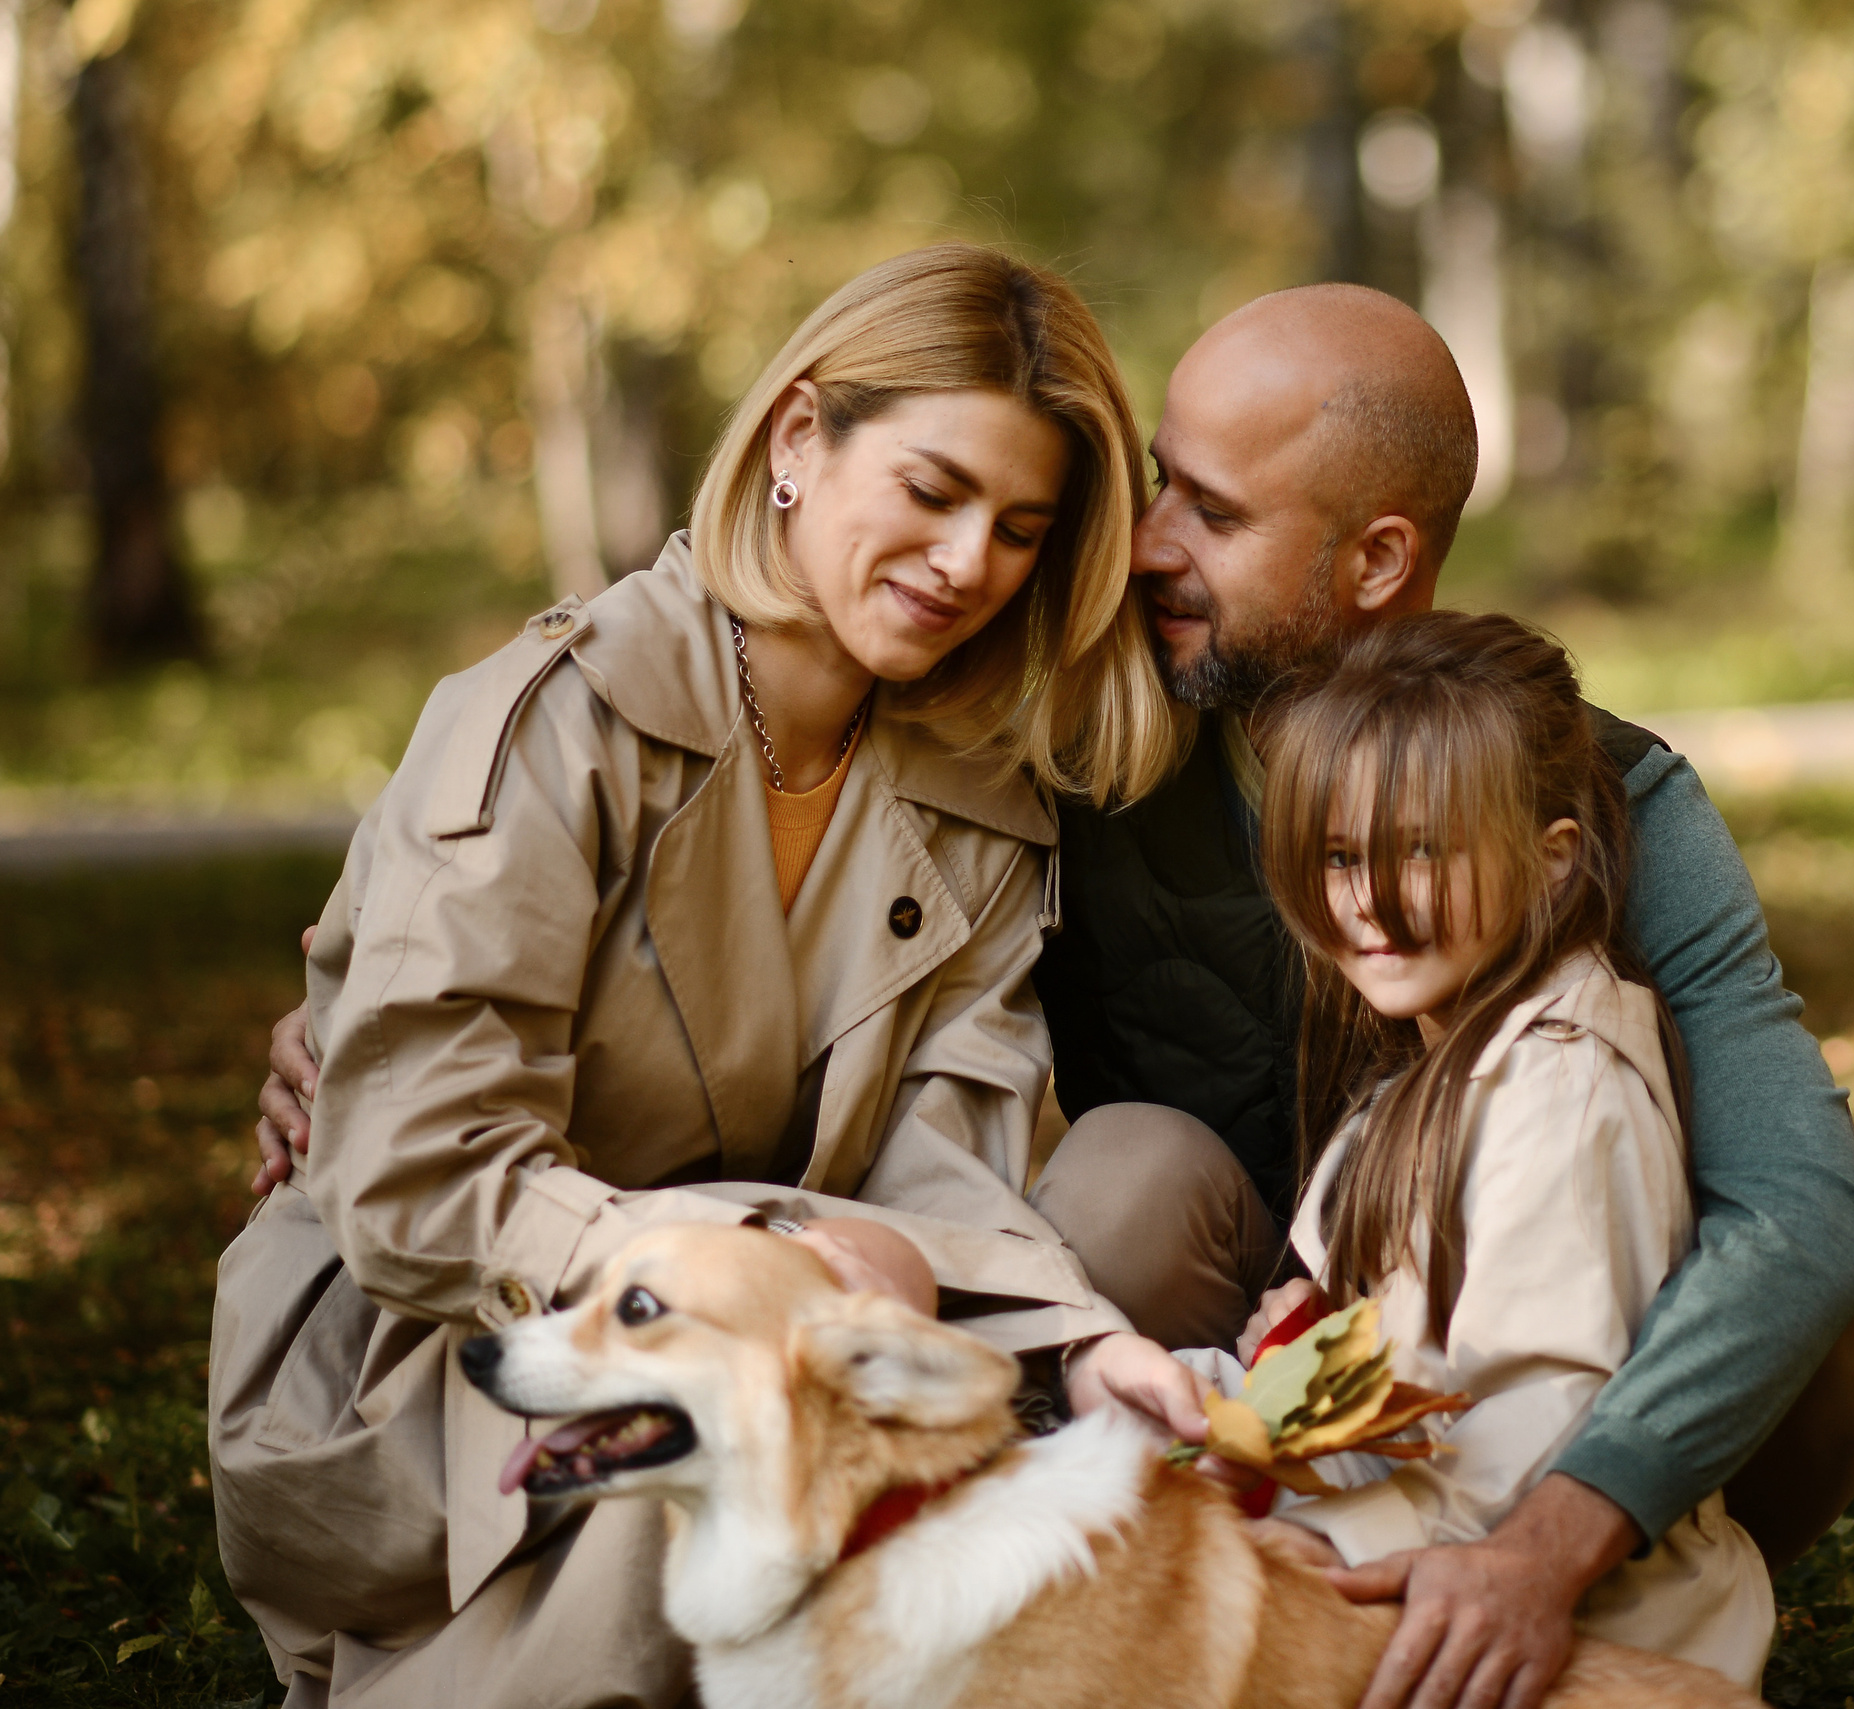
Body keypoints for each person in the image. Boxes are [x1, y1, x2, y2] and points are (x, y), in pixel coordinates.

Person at [258, 282, 1854, 1709]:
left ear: (1376, 558)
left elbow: (1797, 1213)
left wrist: (1548, 1543)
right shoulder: (1088, 726)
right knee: (1122, 1175)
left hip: (1510, 1283)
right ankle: (1226, 1590)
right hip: (1252, 1313)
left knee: (1823, 1328)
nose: (1143, 544)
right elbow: (778, 861)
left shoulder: (1596, 793)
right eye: (1148, 485)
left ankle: (1586, 1604)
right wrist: (362, 997)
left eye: (1208, 510)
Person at [210, 244, 1177, 1709]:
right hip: (443, 1351)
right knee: (749, 1429)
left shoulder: (981, 800)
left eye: (1018, 529)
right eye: (931, 491)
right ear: (797, 439)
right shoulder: (558, 724)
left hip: (780, 1332)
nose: (967, 561)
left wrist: (1080, 1341)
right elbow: (417, 1175)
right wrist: (765, 1257)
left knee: (1123, 1210)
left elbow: (943, 1161)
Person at [1152, 611, 1775, 1688]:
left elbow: (1539, 1420)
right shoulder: (1437, 1062)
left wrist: (1308, 1533)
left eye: (1422, 850)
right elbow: (1422, 1375)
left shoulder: (1561, 1086)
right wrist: (1199, 1394)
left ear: (1551, 863)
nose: (1370, 900)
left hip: (1602, 1642)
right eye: (1339, 855)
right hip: (1429, 1525)